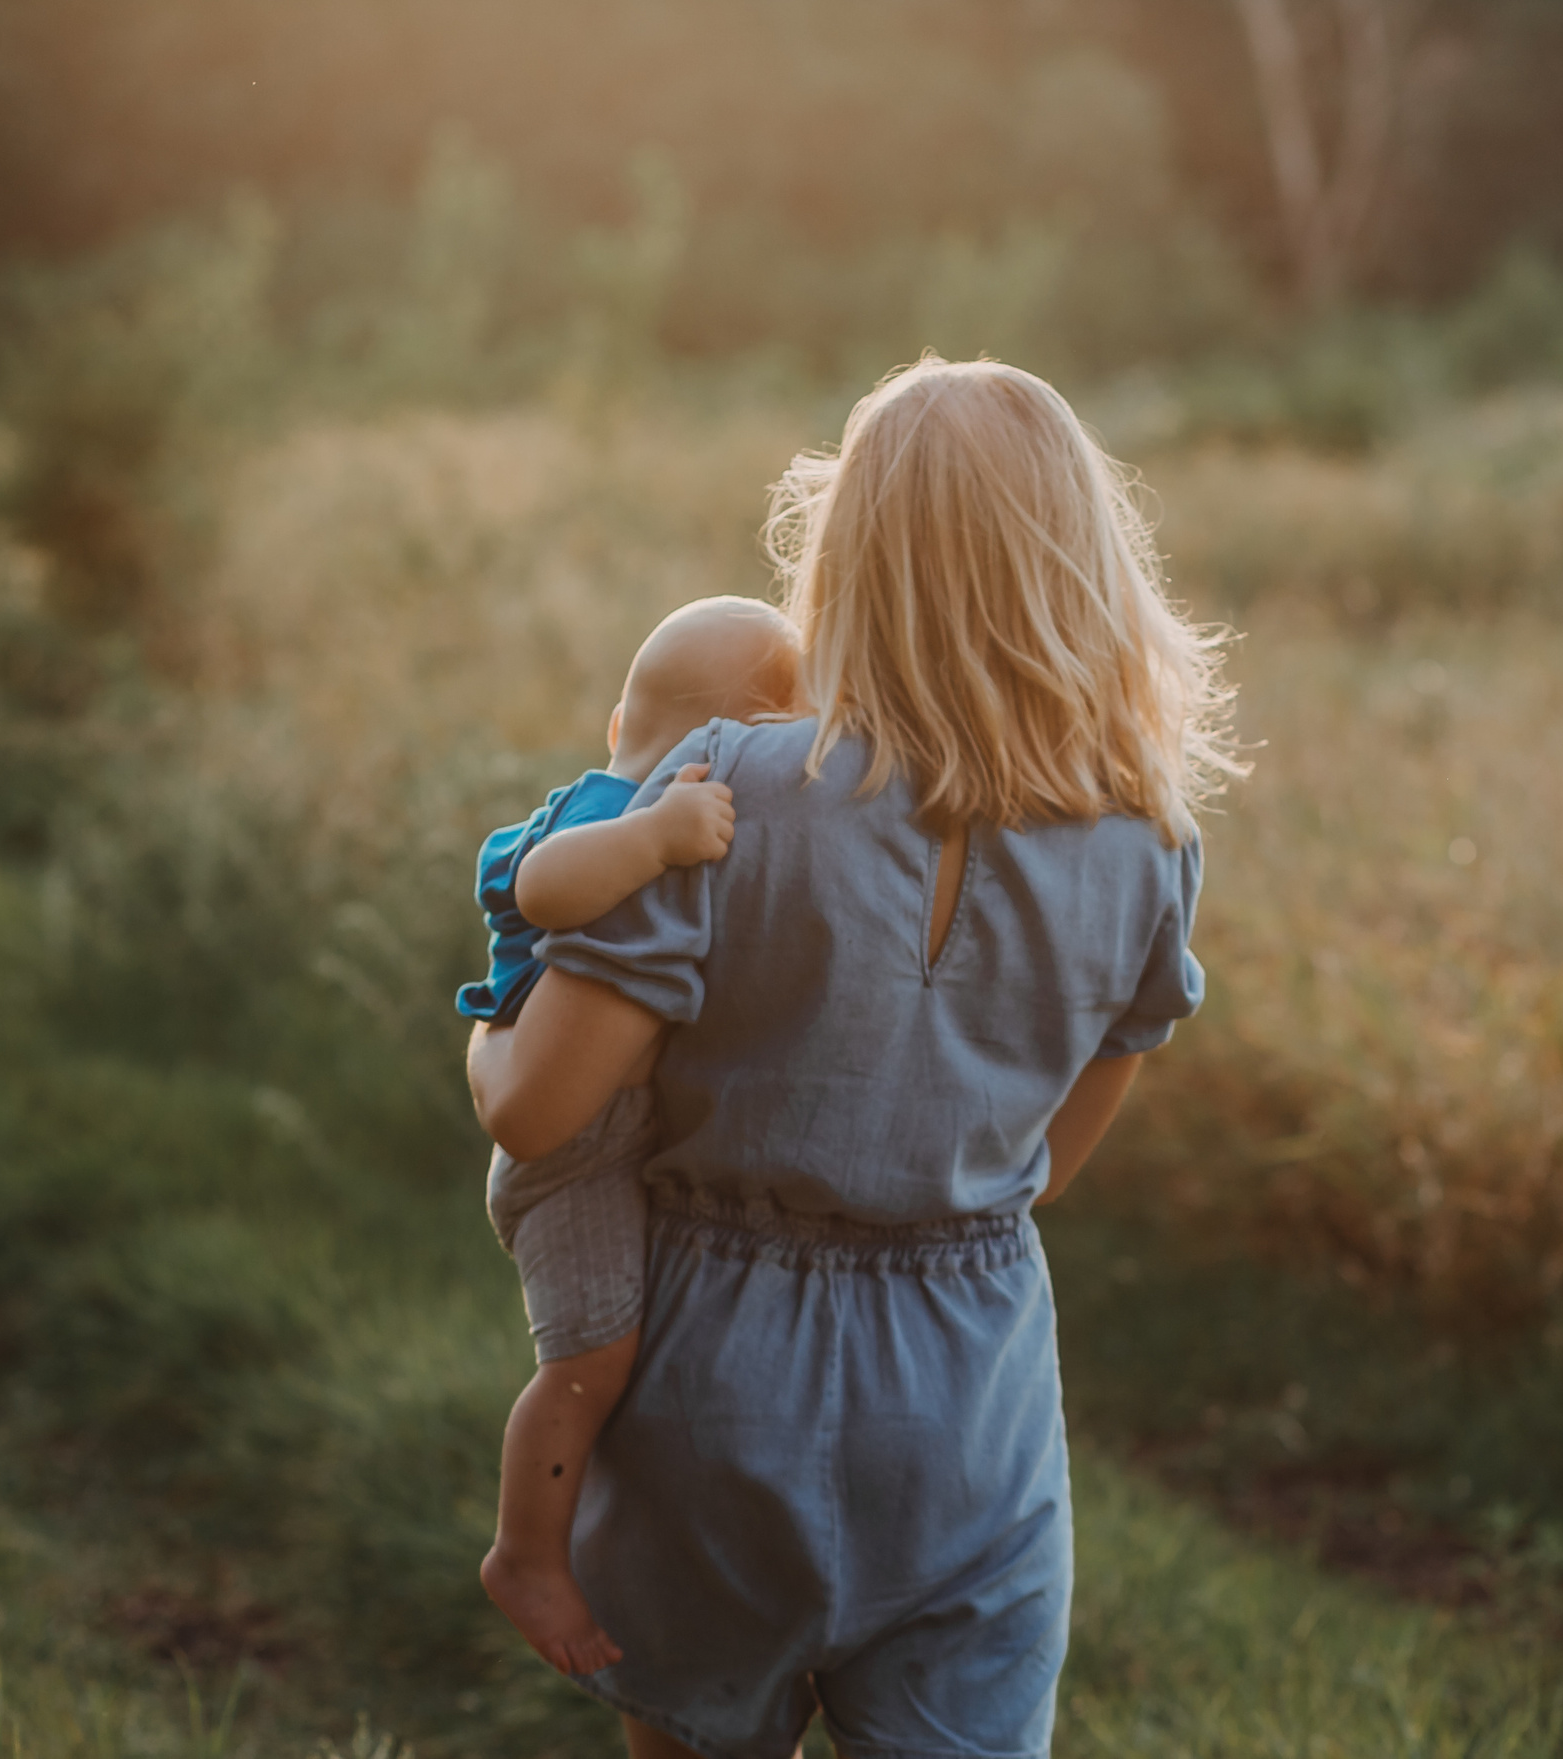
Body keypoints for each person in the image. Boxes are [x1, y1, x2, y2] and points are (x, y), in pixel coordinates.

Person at [468, 355, 1240, 1759]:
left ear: (851, 555)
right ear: (1080, 557)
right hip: (969, 1384)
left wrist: (485, 1018)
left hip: (715, 1365)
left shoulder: (725, 787)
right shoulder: (1150, 837)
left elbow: (537, 1109)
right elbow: (1051, 1158)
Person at [457, 596, 805, 1677]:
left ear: (620, 716)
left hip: (603, 1130)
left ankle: (609, 1535)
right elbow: (540, 888)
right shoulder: (613, 810)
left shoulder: (634, 785)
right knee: (586, 1362)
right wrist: (654, 834)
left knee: (626, 1353)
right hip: (571, 1152)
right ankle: (526, 1553)